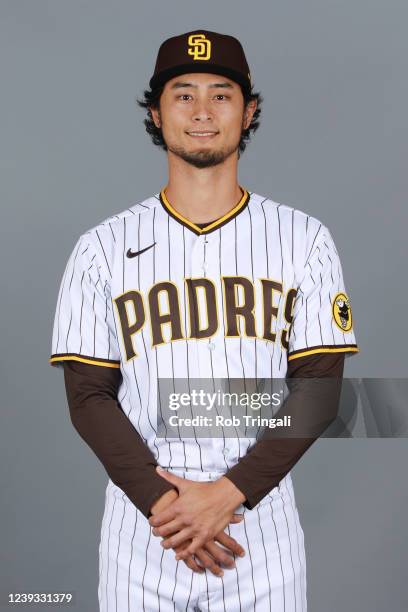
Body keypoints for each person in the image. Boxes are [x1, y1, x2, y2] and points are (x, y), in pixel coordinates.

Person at [49, 29, 359, 611]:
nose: (202, 111)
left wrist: (229, 493)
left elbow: (320, 389)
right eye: (182, 94)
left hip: (259, 528)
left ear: (249, 111)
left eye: (221, 94)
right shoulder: (101, 248)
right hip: (143, 533)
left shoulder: (304, 240)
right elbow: (89, 396)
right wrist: (164, 504)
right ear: (156, 112)